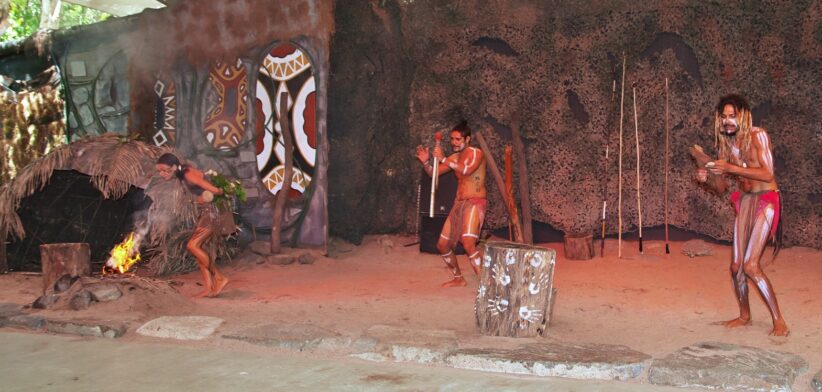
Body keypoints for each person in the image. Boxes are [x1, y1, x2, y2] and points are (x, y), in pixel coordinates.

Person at [695, 94, 788, 336]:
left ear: (743, 116)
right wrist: (705, 179)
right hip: (746, 201)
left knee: (751, 265)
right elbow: (721, 188)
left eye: (732, 116)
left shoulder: (758, 136)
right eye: (724, 117)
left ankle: (779, 321)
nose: (728, 121)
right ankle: (745, 315)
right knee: (736, 266)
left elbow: (768, 174)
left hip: (766, 200)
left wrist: (729, 168)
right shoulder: (727, 144)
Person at [415, 121, 487, 287]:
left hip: (474, 202)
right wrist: (426, 162)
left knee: (468, 243)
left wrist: (444, 158)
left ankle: (486, 285)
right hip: (458, 204)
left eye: (457, 139)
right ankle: (458, 277)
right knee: (442, 244)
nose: (453, 143)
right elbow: (434, 173)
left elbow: (467, 170)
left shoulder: (476, 153)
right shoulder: (454, 157)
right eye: (452, 139)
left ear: (467, 139)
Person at [155, 153, 229, 298]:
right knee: (198, 251)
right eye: (160, 171)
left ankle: (219, 278)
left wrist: (216, 193)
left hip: (211, 214)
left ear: (174, 167)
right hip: (206, 213)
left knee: (192, 246)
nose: (162, 173)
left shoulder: (188, 174)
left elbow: (214, 189)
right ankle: (209, 288)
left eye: (164, 170)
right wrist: (200, 199)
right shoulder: (184, 174)